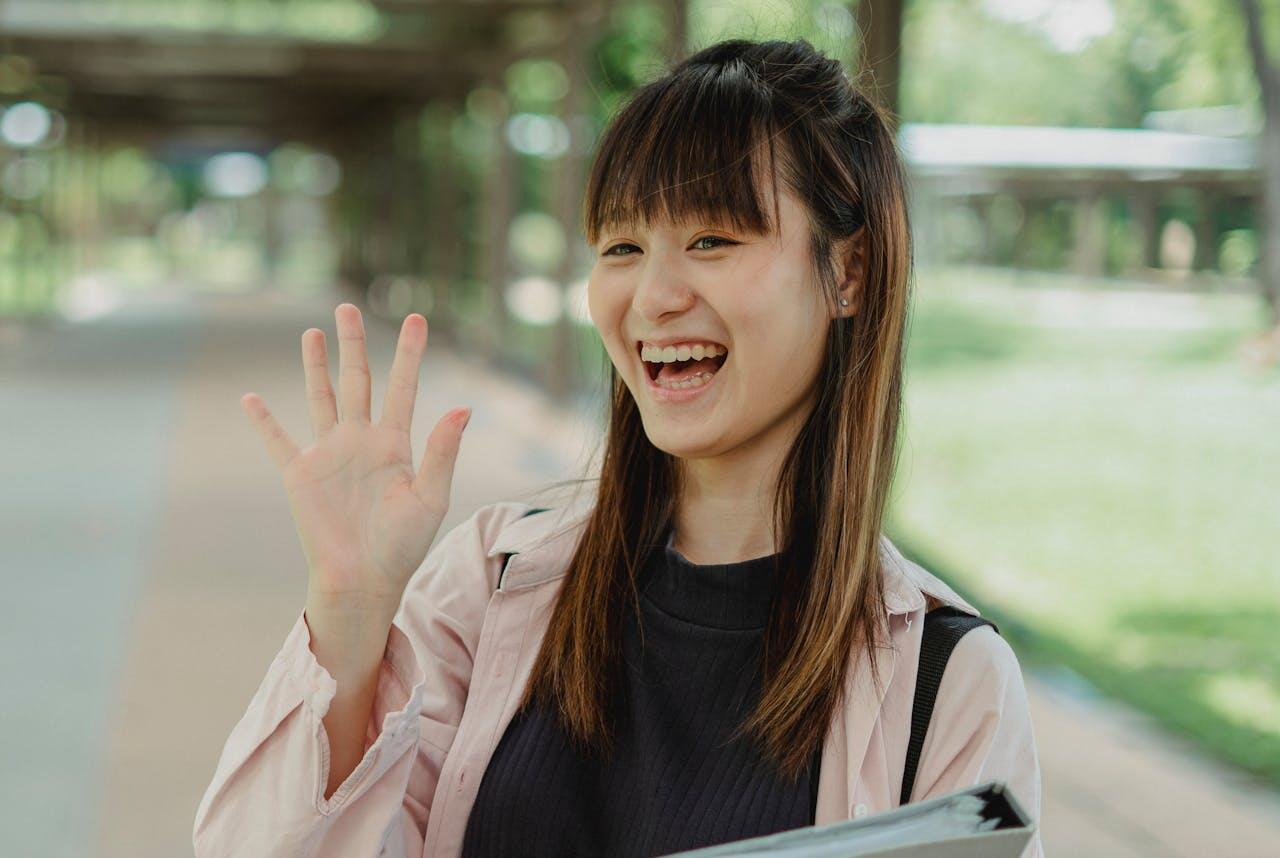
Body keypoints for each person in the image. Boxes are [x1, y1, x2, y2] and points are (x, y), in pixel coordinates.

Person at [193, 37, 1043, 858]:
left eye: (712, 240)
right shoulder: (490, 588)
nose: (655, 296)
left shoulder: (946, 681)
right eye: (622, 247)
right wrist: (346, 616)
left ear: (849, 273)